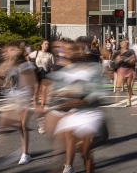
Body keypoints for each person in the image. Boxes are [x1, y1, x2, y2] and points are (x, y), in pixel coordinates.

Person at [45, 39, 108, 173]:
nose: (71, 53)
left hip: (90, 113)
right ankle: (67, 166)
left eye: (74, 50)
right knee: (62, 146)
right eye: (68, 50)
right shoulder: (69, 69)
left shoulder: (95, 67)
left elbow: (98, 91)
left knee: (85, 152)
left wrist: (75, 97)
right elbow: (56, 84)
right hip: (75, 112)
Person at [0, 41, 37, 168]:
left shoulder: (25, 65)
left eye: (11, 49)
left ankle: (25, 154)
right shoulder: (9, 64)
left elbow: (34, 83)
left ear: (18, 51)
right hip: (12, 97)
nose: (8, 51)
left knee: (23, 126)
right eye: (8, 50)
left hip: (24, 97)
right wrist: (6, 61)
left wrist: (36, 101)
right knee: (3, 126)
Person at [30, 40, 55, 108]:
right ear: (41, 45)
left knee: (44, 91)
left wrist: (49, 65)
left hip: (45, 72)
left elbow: (53, 66)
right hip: (37, 72)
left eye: (48, 44)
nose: (46, 45)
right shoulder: (36, 53)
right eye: (45, 44)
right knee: (36, 90)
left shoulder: (50, 55)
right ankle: (36, 106)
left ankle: (42, 106)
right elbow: (27, 57)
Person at [113, 40, 137, 107]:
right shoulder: (118, 52)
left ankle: (129, 101)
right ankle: (117, 100)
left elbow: (134, 59)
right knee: (119, 84)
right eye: (124, 43)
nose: (126, 44)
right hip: (121, 69)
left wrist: (124, 59)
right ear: (121, 45)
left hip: (129, 69)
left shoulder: (131, 51)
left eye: (127, 43)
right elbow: (116, 61)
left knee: (129, 85)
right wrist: (119, 59)